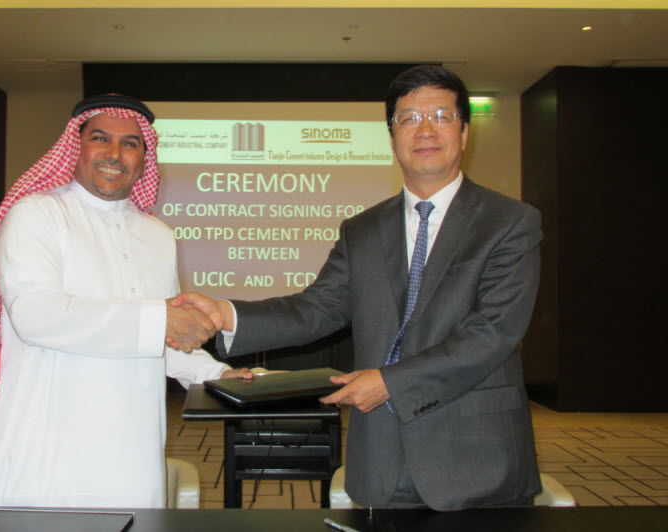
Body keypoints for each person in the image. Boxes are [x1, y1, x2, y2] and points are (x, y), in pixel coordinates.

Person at [175, 66, 542, 511]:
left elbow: (493, 333)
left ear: (464, 133)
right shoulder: (362, 230)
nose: (425, 129)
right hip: (381, 456)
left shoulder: (510, 222)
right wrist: (225, 315)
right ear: (392, 138)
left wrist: (390, 383)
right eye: (408, 118)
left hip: (478, 456)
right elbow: (317, 308)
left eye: (441, 116)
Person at [0, 94, 248, 508]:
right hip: (42, 457)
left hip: (132, 459)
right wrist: (160, 321)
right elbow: (35, 315)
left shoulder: (158, 236)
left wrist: (220, 375)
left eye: (130, 143)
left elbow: (167, 342)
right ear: (76, 146)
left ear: (144, 158)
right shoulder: (35, 214)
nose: (114, 154)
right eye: (100, 138)